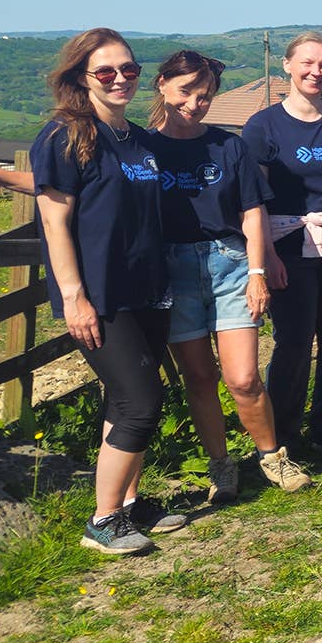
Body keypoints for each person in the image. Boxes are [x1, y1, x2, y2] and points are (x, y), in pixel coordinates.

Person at [31, 29, 187, 554]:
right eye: (105, 71)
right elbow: (55, 223)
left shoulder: (134, 137)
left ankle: (127, 504)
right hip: (98, 295)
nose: (120, 79)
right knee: (141, 399)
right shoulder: (66, 136)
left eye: (129, 69)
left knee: (124, 401)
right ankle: (101, 521)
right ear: (81, 77)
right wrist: (74, 297)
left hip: (145, 288)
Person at [147, 51, 311, 500]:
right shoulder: (142, 150)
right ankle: (222, 466)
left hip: (229, 264)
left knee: (242, 378)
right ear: (162, 85)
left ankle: (272, 456)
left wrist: (257, 271)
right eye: (186, 92)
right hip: (172, 271)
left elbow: (252, 212)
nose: (195, 104)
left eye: (205, 97)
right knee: (199, 377)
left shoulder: (227, 146)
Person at [241, 32, 322, 460]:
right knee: (294, 339)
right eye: (307, 63)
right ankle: (282, 432)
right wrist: (267, 258)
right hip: (287, 242)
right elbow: (253, 200)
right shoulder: (263, 126)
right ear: (287, 66)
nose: (316, 72)